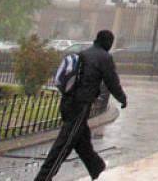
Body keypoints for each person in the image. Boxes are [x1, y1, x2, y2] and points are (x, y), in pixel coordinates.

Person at [34, 30, 127, 181]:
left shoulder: (85, 53)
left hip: (67, 101)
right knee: (64, 144)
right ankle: (43, 178)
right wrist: (122, 98)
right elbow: (112, 82)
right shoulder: (104, 57)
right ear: (108, 42)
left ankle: (96, 166)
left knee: (81, 139)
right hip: (80, 105)